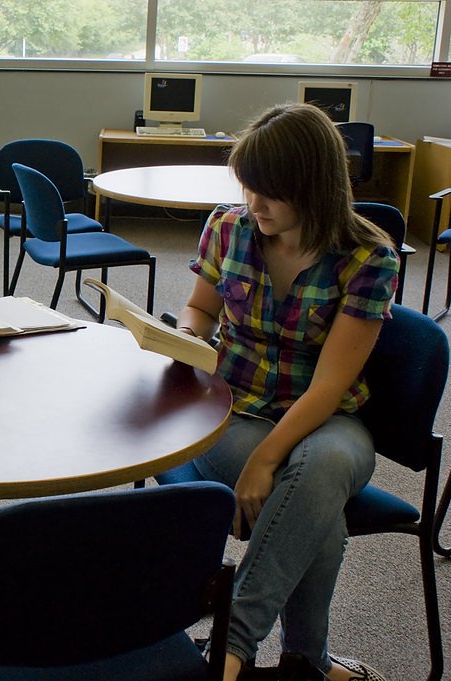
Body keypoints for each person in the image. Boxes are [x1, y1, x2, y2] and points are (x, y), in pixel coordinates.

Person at [175, 103, 398, 681]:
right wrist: (186, 336)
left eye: (271, 193)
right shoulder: (228, 228)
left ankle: (227, 650)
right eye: (248, 188)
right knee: (319, 515)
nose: (255, 204)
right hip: (232, 405)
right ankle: (306, 662)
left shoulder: (368, 257)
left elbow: (330, 385)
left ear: (315, 187)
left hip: (328, 414)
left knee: (322, 468)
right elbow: (200, 309)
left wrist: (265, 461)